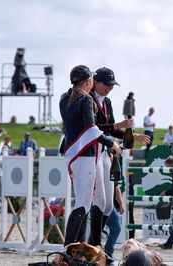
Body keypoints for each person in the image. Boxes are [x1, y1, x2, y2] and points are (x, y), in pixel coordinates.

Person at [87, 67, 149, 253]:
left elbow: (112, 130)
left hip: (106, 150)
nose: (110, 88)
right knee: (99, 201)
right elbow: (94, 127)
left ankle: (93, 243)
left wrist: (132, 135)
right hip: (91, 151)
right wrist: (118, 125)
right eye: (107, 84)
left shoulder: (107, 102)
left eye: (111, 85)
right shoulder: (88, 99)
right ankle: (95, 244)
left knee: (107, 205)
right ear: (95, 82)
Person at [59, 65, 121, 248]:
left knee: (84, 202)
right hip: (85, 155)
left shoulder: (64, 98)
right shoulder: (85, 99)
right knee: (83, 204)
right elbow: (91, 129)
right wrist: (111, 143)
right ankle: (69, 249)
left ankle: (75, 248)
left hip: (72, 155)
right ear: (88, 82)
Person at [104, 184, 125, 258]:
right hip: (96, 204)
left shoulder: (111, 172)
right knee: (95, 231)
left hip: (110, 206)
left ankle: (108, 253)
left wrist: (121, 203)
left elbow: (116, 187)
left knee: (116, 228)